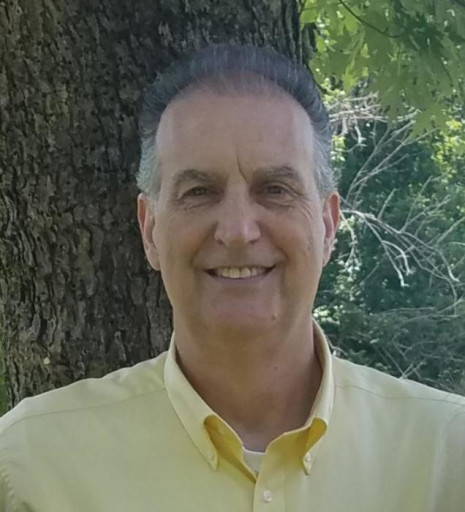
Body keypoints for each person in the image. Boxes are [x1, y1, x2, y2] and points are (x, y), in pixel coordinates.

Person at [0, 44, 464, 512]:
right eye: (199, 192)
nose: (238, 231)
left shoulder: (446, 456)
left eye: (275, 190)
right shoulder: (32, 464)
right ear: (150, 229)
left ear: (327, 226)